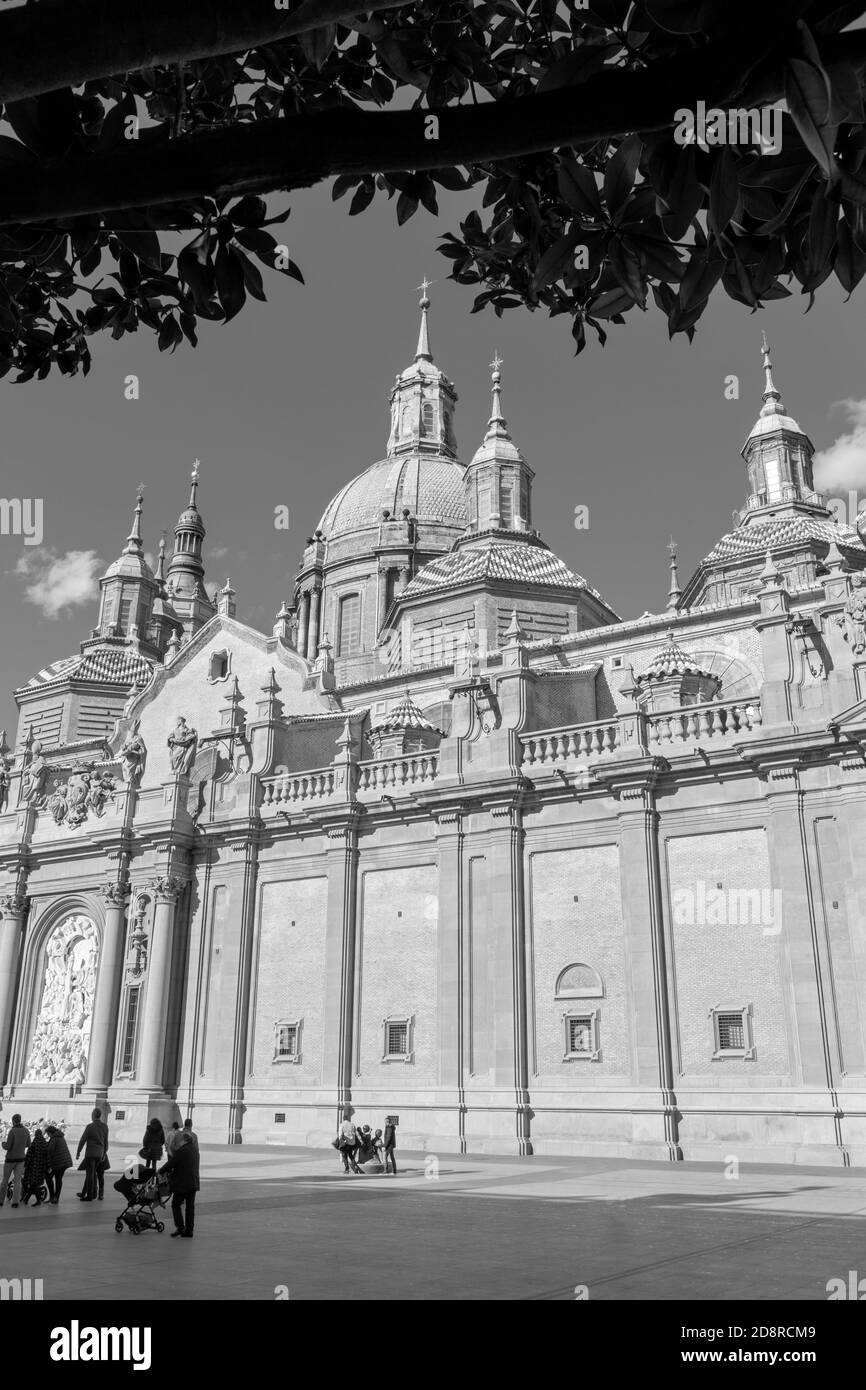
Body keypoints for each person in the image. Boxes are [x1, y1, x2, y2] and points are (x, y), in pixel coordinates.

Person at [160, 1132, 200, 1239]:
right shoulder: (195, 1151)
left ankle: (180, 1227)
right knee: (190, 1207)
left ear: (184, 1141)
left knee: (176, 1204)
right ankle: (189, 1230)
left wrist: (160, 1171)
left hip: (182, 1183)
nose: (178, 1143)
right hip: (193, 1183)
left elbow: (171, 1163)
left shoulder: (182, 1151)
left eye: (180, 1141)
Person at [1, 1113, 31, 1207]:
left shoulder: (12, 1131)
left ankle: (1, 1200)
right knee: (18, 1181)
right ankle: (15, 1202)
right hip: (21, 1159)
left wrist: (3, 1144)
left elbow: (8, 1146)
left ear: (13, 1121)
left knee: (5, 1180)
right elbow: (28, 1144)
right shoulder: (26, 1131)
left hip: (10, 1159)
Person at [76, 1109, 106, 1201]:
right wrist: (104, 1153)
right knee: (93, 1174)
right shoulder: (105, 1126)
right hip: (99, 1154)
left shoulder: (90, 1126)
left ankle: (90, 1195)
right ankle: (93, 1193)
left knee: (90, 1174)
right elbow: (106, 1142)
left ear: (93, 1115)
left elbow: (82, 1140)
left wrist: (78, 1152)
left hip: (90, 1154)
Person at [45, 1125, 73, 1205]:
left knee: (48, 1177)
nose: (48, 1135)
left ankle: (52, 1196)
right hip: (65, 1162)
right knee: (58, 1179)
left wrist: (48, 1164)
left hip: (59, 1162)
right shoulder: (60, 1137)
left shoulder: (54, 1138)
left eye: (48, 1134)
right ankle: (56, 1198)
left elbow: (50, 1151)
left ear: (50, 1133)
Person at [21, 1126, 48, 1205]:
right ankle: (26, 1199)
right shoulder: (45, 1144)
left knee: (32, 1184)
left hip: (33, 1167)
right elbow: (47, 1156)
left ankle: (37, 1200)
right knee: (35, 1184)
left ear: (36, 1135)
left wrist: (25, 1165)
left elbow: (28, 1156)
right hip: (41, 1168)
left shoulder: (34, 1144)